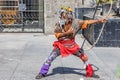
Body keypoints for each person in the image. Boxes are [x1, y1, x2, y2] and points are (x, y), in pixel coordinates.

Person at [35, 7, 107, 79]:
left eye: (68, 14)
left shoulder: (76, 22)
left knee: (85, 58)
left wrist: (99, 20)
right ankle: (42, 73)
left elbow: (87, 22)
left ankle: (90, 73)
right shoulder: (59, 24)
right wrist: (67, 33)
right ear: (61, 16)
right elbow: (57, 35)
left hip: (72, 46)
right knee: (50, 58)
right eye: (64, 15)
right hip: (61, 46)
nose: (66, 16)